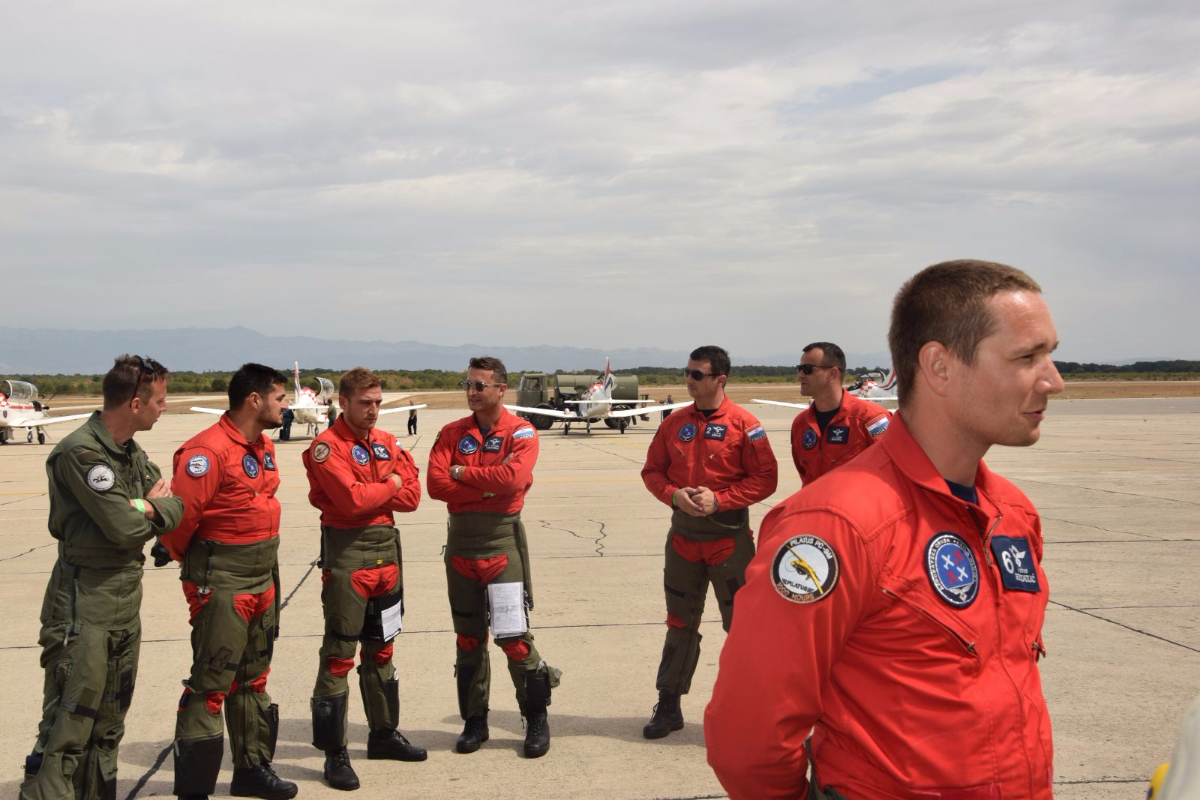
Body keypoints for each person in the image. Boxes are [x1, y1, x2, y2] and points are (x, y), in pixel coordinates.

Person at [706, 260, 1064, 799]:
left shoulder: (1012, 514)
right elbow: (749, 733)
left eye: (1050, 355)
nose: (1054, 380)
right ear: (939, 366)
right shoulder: (835, 527)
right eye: (1026, 357)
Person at [20, 356, 183, 800]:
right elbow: (126, 528)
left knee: (108, 725)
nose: (164, 407)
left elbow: (175, 506)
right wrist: (147, 507)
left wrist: (143, 506)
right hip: (83, 606)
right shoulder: (82, 453)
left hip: (124, 603)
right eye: (160, 400)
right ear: (135, 404)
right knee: (68, 726)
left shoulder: (129, 452)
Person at [162, 363, 297, 800]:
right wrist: (204, 571)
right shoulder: (207, 452)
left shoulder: (262, 445)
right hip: (222, 583)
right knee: (212, 682)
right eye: (280, 398)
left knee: (253, 680)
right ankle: (195, 790)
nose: (286, 405)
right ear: (254, 400)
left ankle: (251, 770)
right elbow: (180, 523)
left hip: (261, 579)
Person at [639, 345, 778, 739]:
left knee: (743, 628)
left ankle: (752, 709)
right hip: (683, 541)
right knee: (679, 622)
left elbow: (765, 478)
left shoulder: (745, 425)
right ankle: (668, 705)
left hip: (728, 542)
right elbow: (652, 471)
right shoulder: (673, 423)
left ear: (720, 379)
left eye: (697, 374)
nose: (689, 380)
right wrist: (673, 495)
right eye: (687, 372)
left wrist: (721, 500)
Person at [426, 356, 560, 759]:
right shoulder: (451, 432)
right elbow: (434, 485)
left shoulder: (521, 431)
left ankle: (535, 718)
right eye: (468, 384)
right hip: (460, 549)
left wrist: (462, 474)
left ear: (501, 389)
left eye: (480, 385)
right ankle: (474, 721)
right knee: (468, 640)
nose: (472, 392)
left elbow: (513, 479)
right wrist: (488, 486)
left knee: (513, 637)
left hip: (501, 547)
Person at [303, 368, 426, 791]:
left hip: (387, 556)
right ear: (343, 402)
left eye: (377, 402)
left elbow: (412, 497)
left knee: (382, 649)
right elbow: (352, 501)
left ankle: (383, 734)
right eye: (364, 403)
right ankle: (334, 752)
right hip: (348, 557)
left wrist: (380, 486)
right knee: (339, 653)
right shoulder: (326, 447)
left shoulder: (387, 441)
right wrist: (391, 481)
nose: (373, 410)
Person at [790, 341, 891, 486]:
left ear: (833, 373)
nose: (800, 375)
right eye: (799, 368)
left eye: (807, 369)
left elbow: (892, 472)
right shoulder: (800, 424)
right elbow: (805, 475)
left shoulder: (870, 419)